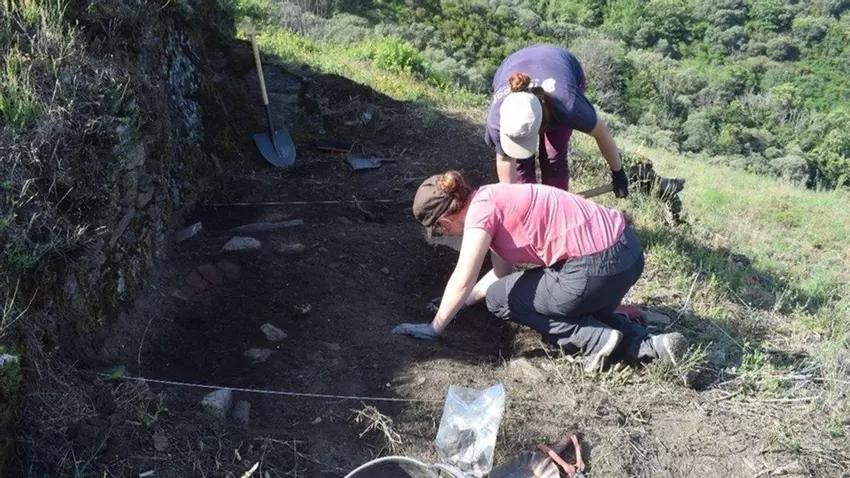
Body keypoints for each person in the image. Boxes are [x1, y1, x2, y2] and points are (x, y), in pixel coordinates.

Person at [393, 171, 687, 372]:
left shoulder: (480, 215)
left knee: (500, 299)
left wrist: (434, 327)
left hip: (595, 269)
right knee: (564, 301)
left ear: (445, 221)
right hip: (627, 254)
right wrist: (460, 304)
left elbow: (463, 278)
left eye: (441, 231)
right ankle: (652, 346)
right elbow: (500, 274)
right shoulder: (492, 197)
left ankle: (594, 341)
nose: (447, 235)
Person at [485, 44, 628, 197]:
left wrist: (618, 173)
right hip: (513, 62)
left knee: (554, 156)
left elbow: (602, 133)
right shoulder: (497, 122)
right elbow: (505, 159)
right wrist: (512, 200)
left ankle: (555, 201)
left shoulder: (567, 105)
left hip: (559, 64)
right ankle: (527, 202)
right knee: (520, 162)